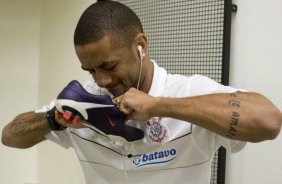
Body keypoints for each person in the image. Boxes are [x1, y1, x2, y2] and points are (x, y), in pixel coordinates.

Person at [2, 1, 282, 184]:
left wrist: (159, 105)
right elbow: (9, 136)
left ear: (140, 46)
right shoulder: (84, 101)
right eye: (90, 70)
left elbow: (268, 121)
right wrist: (54, 118)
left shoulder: (187, 91)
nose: (101, 79)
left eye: (108, 65)